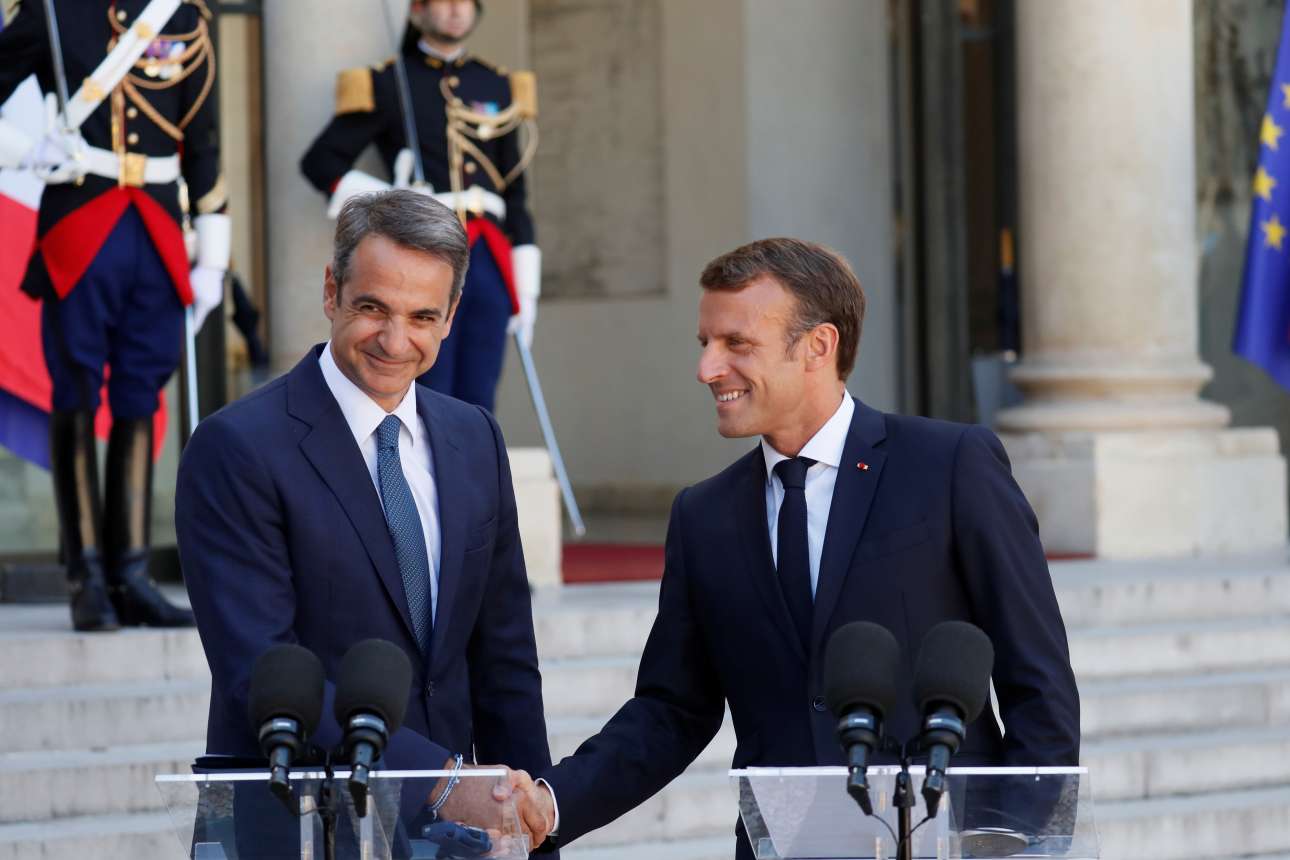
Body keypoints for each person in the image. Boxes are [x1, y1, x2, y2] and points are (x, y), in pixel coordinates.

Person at [523, 238, 1081, 857]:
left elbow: (1038, 682)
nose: (707, 368)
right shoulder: (703, 516)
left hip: (938, 839)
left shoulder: (950, 466)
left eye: (737, 344)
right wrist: (549, 804)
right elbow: (671, 711)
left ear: (818, 346)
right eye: (706, 343)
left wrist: (1015, 841)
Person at [175, 190, 553, 840]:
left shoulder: (475, 439)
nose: (395, 341)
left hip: (456, 839)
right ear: (332, 291)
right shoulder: (236, 447)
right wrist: (439, 781)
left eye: (423, 316)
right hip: (298, 824)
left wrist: (528, 831)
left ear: (451, 316)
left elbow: (506, 661)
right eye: (373, 308)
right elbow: (256, 667)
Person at [0, 0, 228, 631]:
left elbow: (203, 143)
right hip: (80, 222)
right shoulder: (53, 10)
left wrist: (213, 256)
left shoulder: (183, 17)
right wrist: (24, 149)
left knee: (140, 395)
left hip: (157, 231)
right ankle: (86, 578)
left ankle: (131, 575)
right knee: (74, 390)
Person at [300, 0, 540, 413]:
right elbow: (321, 162)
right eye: (443, 1)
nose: (456, 10)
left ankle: (470, 456)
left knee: (481, 387)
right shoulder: (390, 81)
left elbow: (514, 189)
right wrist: (394, 198)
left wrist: (526, 281)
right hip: (423, 250)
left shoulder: (497, 85)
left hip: (488, 254)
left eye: (465, 2)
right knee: (429, 384)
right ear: (416, 10)